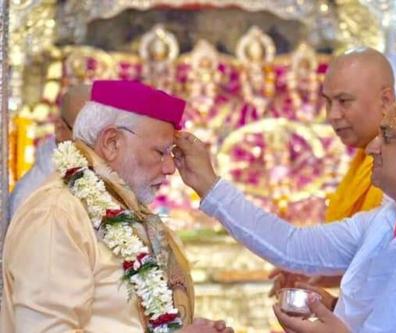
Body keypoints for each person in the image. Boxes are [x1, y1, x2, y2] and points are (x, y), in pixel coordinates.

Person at [173, 91, 396, 332]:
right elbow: (292, 246)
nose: (372, 148)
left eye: (388, 137)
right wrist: (210, 186)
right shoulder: (386, 221)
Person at [1, 80, 232, 333]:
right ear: (112, 142)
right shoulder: (57, 213)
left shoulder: (127, 208)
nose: (169, 168)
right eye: (160, 152)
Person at [268, 46, 396, 305]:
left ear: (386, 100)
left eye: (344, 101)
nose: (332, 116)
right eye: (327, 102)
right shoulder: (364, 160)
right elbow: (367, 257)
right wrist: (320, 274)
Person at [8, 84, 90, 219]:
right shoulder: (33, 197)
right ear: (60, 129)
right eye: (87, 135)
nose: (99, 145)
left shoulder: (97, 175)